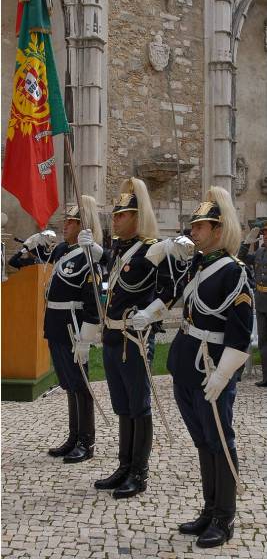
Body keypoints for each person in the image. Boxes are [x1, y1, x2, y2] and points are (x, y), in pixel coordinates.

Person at [80, 177, 189, 499]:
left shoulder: (154, 249)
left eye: (121, 215)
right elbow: (114, 282)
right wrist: (94, 249)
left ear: (137, 218)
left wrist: (151, 313)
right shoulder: (119, 248)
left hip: (135, 338)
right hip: (113, 335)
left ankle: (139, 473)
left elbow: (172, 290)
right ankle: (124, 465)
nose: (114, 219)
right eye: (114, 215)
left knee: (139, 407)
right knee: (122, 406)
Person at [167, 186, 253, 548]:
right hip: (188, 366)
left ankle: (224, 517)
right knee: (203, 441)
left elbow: (241, 331)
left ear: (218, 230)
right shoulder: (198, 265)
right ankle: (208, 509)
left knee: (220, 440)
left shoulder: (234, 271)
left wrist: (223, 374)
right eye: (194, 225)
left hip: (211, 368)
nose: (194, 231)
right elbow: (178, 302)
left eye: (200, 226)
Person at [25, 195, 103, 463]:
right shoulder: (61, 251)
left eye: (70, 222)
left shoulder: (90, 256)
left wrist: (86, 338)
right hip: (56, 324)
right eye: (66, 222)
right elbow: (26, 261)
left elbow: (93, 300)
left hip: (74, 326)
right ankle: (73, 437)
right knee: (68, 384)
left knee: (81, 385)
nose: (64, 226)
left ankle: (86, 441)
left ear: (83, 226)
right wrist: (30, 246)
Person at [238, 220, 267, 387]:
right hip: (262, 301)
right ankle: (266, 377)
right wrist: (246, 243)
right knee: (263, 342)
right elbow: (240, 259)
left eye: (266, 234)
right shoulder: (260, 253)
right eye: (263, 234)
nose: (264, 237)